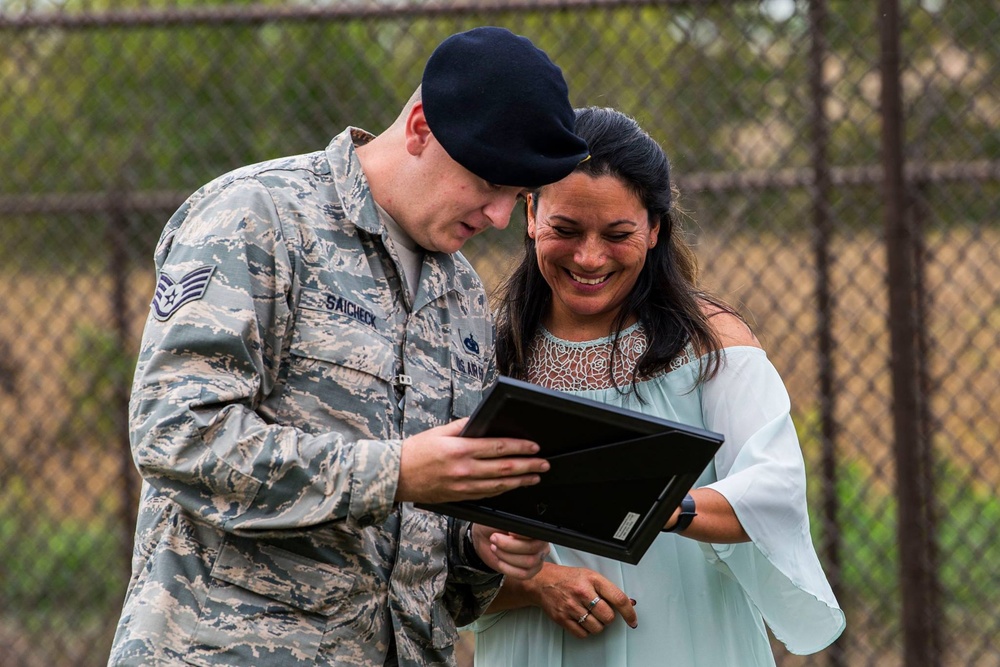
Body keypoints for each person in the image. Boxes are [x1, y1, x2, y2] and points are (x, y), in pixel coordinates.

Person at [107, 27, 591, 667]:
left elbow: (432, 568)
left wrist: (479, 549)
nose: (501, 217)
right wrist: (394, 472)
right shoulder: (260, 218)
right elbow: (175, 435)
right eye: (488, 182)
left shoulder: (463, 295)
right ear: (420, 127)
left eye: (518, 195)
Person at [472, 107, 846, 666]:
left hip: (690, 641)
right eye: (566, 230)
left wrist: (657, 503)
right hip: (538, 648)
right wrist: (537, 582)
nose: (589, 257)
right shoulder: (485, 352)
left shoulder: (709, 341)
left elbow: (774, 489)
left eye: (618, 234)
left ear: (654, 229)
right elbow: (429, 544)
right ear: (530, 214)